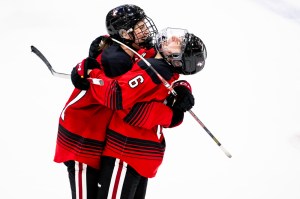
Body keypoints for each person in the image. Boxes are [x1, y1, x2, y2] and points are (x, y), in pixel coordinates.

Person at [72, 27, 207, 198]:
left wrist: (90, 72)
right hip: (141, 156)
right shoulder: (154, 62)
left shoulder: (154, 69)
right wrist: (104, 45)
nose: (174, 37)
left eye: (180, 44)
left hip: (126, 154)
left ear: (176, 60)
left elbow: (121, 102)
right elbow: (130, 52)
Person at [54, 4, 159, 199]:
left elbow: (152, 59)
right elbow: (126, 95)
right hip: (81, 138)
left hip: (101, 137)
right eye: (139, 26)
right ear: (125, 34)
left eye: (144, 24)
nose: (145, 29)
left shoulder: (128, 51)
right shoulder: (116, 60)